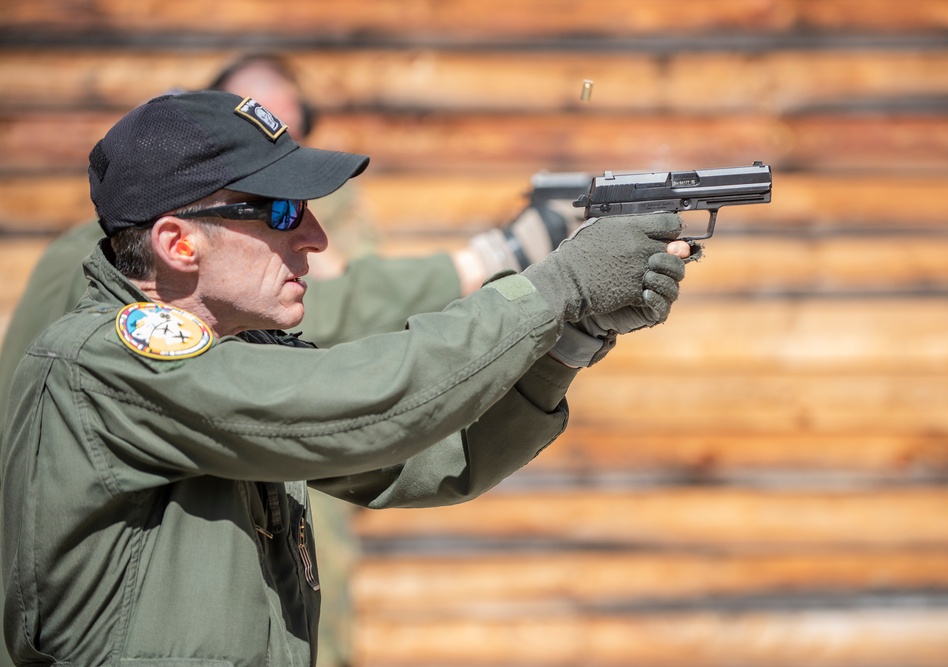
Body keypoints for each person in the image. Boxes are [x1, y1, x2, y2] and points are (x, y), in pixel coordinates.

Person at [0, 90, 692, 665]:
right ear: (180, 243)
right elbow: (364, 400)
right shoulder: (108, 359)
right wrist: (555, 286)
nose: (315, 238)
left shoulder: (232, 359)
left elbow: (433, 457)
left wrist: (570, 340)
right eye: (280, 211)